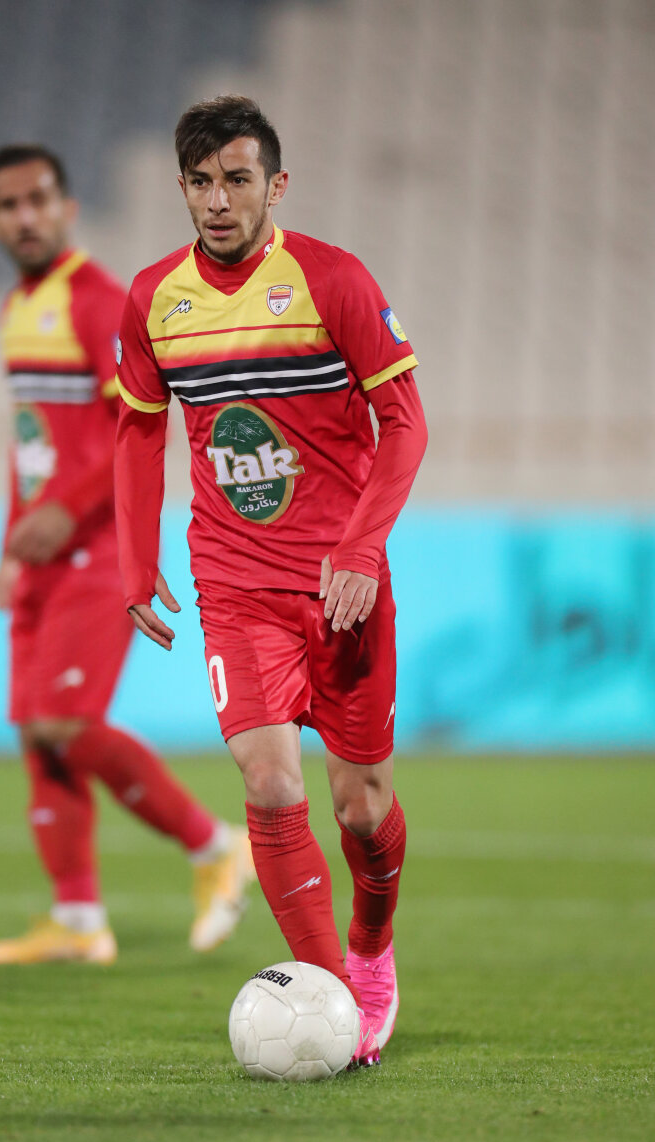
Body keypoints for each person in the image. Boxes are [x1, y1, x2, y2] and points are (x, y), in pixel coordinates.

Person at [114, 97, 427, 1067]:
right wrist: (135, 557)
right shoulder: (154, 298)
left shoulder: (331, 280)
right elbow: (136, 430)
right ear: (181, 187)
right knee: (266, 777)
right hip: (234, 577)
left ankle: (370, 947)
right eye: (200, 182)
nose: (217, 200)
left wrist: (361, 550)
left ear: (275, 185)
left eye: (236, 180)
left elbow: (404, 423)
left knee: (361, 807)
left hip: (341, 584)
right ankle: (332, 1000)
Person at [0, 143, 254, 965]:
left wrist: (65, 512)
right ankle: (77, 919)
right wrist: (11, 544)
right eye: (8, 205)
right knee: (38, 735)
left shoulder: (98, 302)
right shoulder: (17, 308)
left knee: (65, 723)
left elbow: (137, 432)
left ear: (67, 209)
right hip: (42, 557)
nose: (25, 217)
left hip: (97, 550)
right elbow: (33, 443)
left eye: (38, 200)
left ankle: (215, 845)